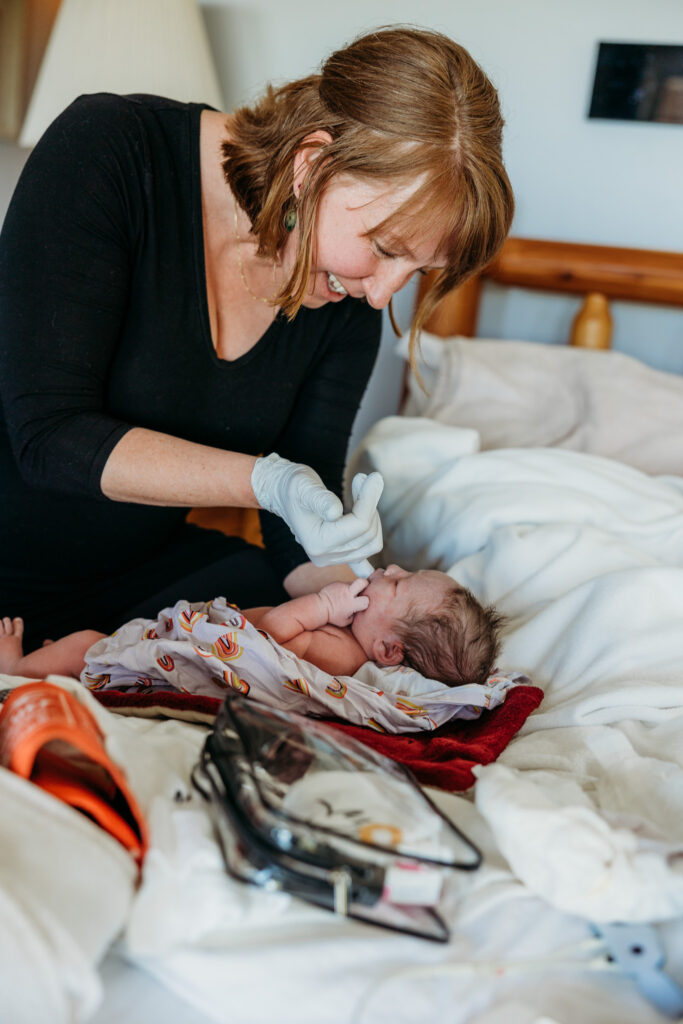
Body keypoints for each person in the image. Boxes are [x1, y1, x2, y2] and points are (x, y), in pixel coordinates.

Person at [0, 26, 514, 655]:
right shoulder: (110, 148)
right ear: (312, 163)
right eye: (384, 249)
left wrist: (360, 606)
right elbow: (49, 438)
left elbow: (306, 484)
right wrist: (267, 483)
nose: (383, 295)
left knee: (293, 630)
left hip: (139, 569)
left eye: (419, 272)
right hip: (9, 560)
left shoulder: (344, 295)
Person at [0, 565, 503, 688]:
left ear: (389, 650)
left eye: (397, 584)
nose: (387, 570)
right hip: (189, 637)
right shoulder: (352, 645)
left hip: (179, 660)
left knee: (91, 643)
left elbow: (277, 635)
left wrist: (322, 605)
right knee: (94, 646)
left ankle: (17, 668)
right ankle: (60, 664)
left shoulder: (342, 655)